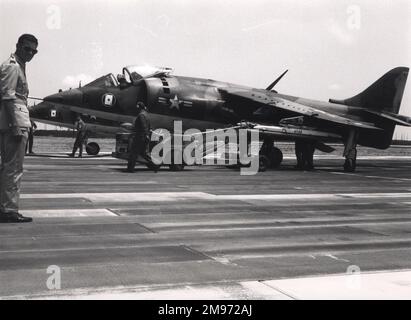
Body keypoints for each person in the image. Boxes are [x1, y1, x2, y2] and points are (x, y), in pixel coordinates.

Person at [0, 34, 38, 223]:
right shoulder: (13, 66)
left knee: (9, 167)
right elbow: (7, 97)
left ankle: (6, 208)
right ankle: (8, 211)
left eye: (34, 50)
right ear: (18, 46)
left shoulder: (19, 65)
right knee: (13, 168)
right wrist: (15, 125)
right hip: (14, 123)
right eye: (27, 49)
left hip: (17, 120)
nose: (30, 53)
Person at [127, 101, 152, 172]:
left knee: (133, 153)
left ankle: (130, 169)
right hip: (144, 136)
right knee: (143, 153)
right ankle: (155, 164)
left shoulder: (141, 115)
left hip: (140, 137)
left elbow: (143, 126)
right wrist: (147, 135)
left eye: (137, 107)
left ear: (139, 107)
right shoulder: (146, 114)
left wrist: (144, 134)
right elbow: (149, 126)